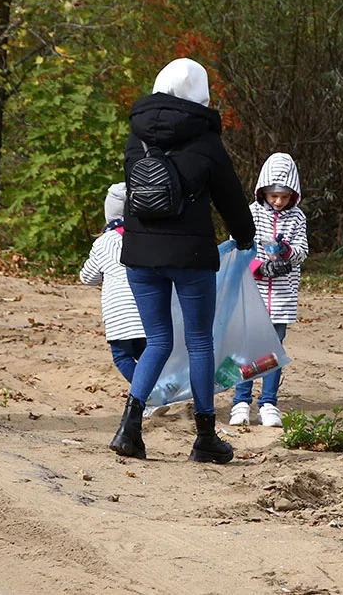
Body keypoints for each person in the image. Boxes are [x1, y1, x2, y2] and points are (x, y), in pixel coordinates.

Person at [110, 58, 256, 464]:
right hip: (191, 255)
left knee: (157, 340)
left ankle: (129, 428)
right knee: (198, 343)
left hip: (139, 254)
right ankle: (205, 437)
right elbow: (231, 199)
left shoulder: (135, 138)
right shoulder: (207, 142)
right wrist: (245, 237)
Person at [229, 152, 308, 428]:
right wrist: (259, 268)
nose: (278, 201)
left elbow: (303, 251)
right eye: (274, 195)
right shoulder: (250, 213)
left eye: (284, 197)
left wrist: (287, 252)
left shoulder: (297, 217)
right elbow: (237, 249)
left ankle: (269, 403)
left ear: (292, 195)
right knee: (248, 348)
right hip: (253, 293)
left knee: (274, 349)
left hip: (283, 296)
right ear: (263, 190)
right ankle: (241, 401)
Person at [79, 182, 147, 384]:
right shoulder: (146, 238)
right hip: (147, 311)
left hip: (119, 316)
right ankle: (159, 390)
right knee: (148, 356)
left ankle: (149, 394)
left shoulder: (104, 242)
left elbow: (88, 277)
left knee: (122, 357)